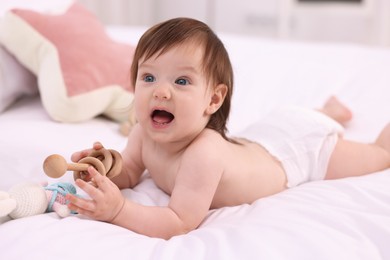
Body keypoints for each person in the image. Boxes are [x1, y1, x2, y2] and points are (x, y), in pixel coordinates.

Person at [66, 17, 390, 239]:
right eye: (148, 77)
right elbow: (132, 172)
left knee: (380, 155)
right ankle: (328, 111)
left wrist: (119, 209)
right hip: (266, 134)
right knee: (302, 119)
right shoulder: (142, 133)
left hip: (299, 151)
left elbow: (178, 222)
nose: (160, 91)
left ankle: (326, 117)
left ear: (213, 100)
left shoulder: (203, 153)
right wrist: (103, 170)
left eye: (181, 81)